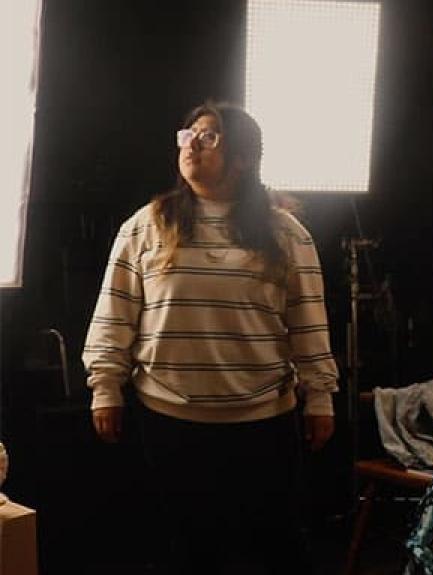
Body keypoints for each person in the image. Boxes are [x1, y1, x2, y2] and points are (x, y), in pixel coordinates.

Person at [82, 101, 339, 574]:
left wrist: (320, 396)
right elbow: (114, 311)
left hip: (262, 421)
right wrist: (105, 386)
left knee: (270, 548)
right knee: (185, 551)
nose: (191, 145)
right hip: (169, 418)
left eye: (209, 136)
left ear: (242, 157)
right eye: (188, 136)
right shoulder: (147, 224)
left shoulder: (287, 233)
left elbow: (308, 322)